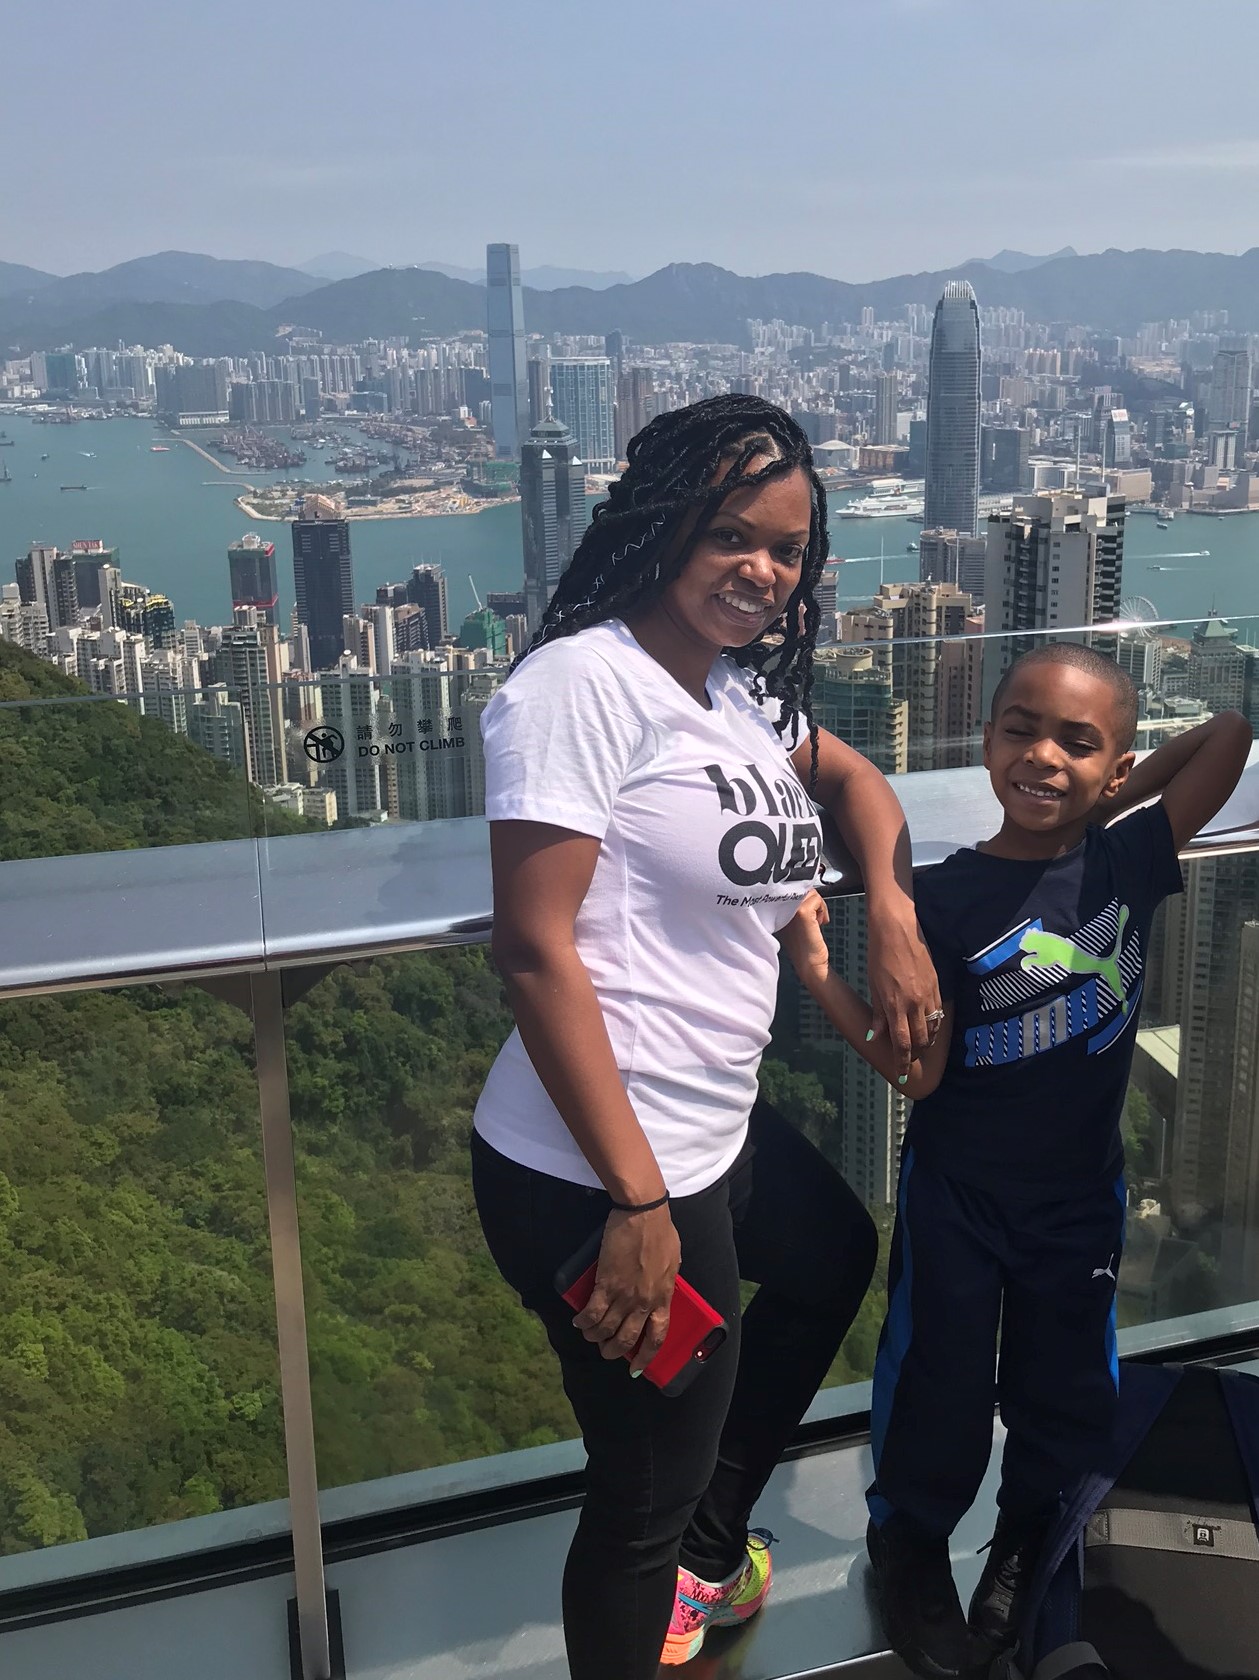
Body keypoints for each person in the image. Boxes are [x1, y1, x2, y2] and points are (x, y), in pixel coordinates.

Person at [470, 394, 940, 1680]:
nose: (761, 571)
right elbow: (532, 948)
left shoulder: (729, 695)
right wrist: (633, 1201)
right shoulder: (580, 685)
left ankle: (710, 1553)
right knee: (640, 1498)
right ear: (663, 523)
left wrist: (890, 910)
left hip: (709, 1127)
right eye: (731, 535)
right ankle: (684, 1561)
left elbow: (851, 780)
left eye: (785, 550)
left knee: (830, 1253)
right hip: (597, 1166)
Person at [781, 640, 1251, 1678]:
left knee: (1064, 1382)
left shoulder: (1126, 858)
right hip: (959, 1192)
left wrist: (1117, 793)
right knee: (936, 1380)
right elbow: (919, 1074)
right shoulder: (944, 901)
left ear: (1116, 772)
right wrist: (818, 970)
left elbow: (1226, 736)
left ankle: (1029, 1534)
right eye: (1020, 732)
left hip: (1079, 1195)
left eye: (1076, 745)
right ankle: (909, 1544)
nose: (1041, 756)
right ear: (986, 741)